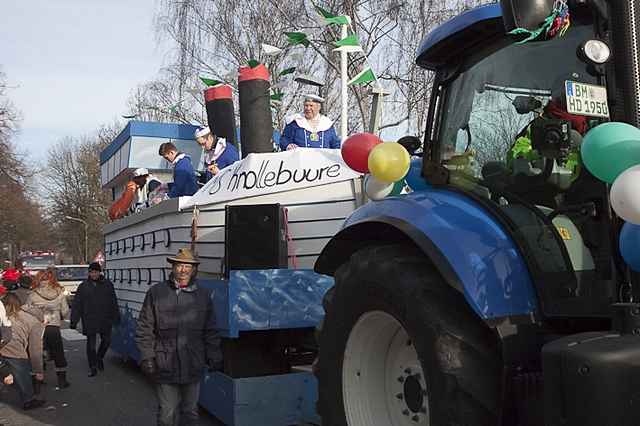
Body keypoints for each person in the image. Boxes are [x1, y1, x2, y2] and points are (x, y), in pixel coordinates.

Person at [135, 248, 222, 426]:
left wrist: (214, 355)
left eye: (187, 266)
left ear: (194, 269)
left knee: (190, 413)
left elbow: (210, 330)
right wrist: (147, 356)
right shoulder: (156, 293)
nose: (183, 270)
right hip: (165, 363)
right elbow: (145, 327)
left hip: (193, 363)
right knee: (167, 413)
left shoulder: (203, 295)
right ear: (173, 267)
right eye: (180, 265)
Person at [70, 262, 120, 377]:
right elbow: (77, 304)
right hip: (89, 318)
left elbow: (113, 301)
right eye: (91, 272)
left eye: (96, 272)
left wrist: (116, 317)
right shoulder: (83, 286)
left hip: (105, 318)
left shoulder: (107, 285)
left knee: (107, 341)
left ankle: (99, 358)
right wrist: (74, 320)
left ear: (99, 272)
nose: (93, 274)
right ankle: (92, 366)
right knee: (91, 345)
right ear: (89, 273)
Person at [0, 293, 45, 410]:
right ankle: (28, 400)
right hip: (15, 349)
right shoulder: (32, 321)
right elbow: (35, 349)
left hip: (2, 345)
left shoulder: (2, 315)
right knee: (23, 374)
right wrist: (38, 370)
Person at [27, 268, 70, 388]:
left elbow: (28, 311)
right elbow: (65, 311)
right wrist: (59, 316)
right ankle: (62, 380)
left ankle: (37, 381)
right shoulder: (59, 292)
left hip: (38, 326)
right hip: (53, 326)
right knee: (58, 353)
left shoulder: (33, 294)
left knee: (36, 353)